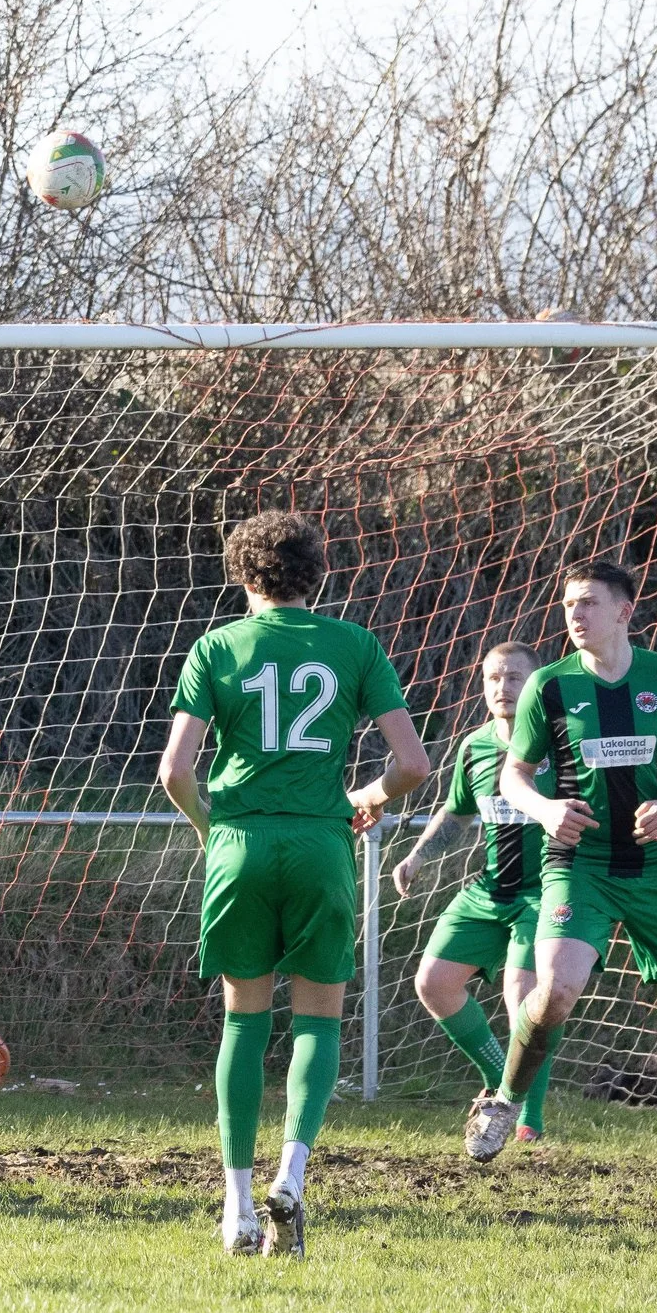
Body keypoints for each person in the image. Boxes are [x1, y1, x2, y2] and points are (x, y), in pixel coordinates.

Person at [159, 511, 429, 1257]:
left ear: (243, 577)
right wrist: (367, 798)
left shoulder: (217, 645)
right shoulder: (355, 645)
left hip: (240, 841)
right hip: (320, 842)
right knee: (319, 1018)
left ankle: (237, 1207)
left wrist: (213, 831)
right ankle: (293, 1179)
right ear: (321, 574)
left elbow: (175, 772)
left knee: (244, 1020)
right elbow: (413, 765)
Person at [463, 559, 657, 1178]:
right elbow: (512, 777)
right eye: (569, 603)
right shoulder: (549, 684)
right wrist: (545, 809)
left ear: (624, 611)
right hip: (579, 864)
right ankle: (505, 1103)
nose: (574, 614)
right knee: (555, 993)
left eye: (589, 603)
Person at [392, 643, 560, 1144]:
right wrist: (417, 855)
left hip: (547, 892)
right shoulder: (475, 745)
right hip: (489, 891)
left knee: (524, 998)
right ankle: (498, 1078)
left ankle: (528, 1118)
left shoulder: (563, 741)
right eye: (493, 679)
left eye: (514, 678)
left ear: (536, 685)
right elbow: (457, 812)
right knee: (434, 983)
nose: (503, 688)